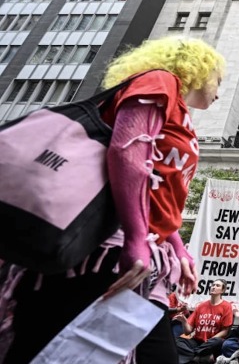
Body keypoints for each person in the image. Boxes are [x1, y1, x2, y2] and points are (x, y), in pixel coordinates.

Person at [2, 36, 224, 364]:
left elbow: (157, 193)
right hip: (104, 248)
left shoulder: (182, 114)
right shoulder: (159, 81)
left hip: (144, 257)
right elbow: (128, 152)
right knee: (48, 348)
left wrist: (178, 249)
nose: (220, 89)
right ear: (198, 68)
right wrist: (136, 238)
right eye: (219, 78)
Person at [176, 279, 235, 363]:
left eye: (217, 286)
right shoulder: (201, 306)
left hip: (212, 342)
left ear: (222, 290)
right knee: (177, 340)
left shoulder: (226, 306)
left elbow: (225, 331)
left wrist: (209, 341)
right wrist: (184, 321)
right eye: (213, 285)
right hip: (197, 341)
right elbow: (188, 332)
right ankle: (196, 356)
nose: (213, 287)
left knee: (218, 341)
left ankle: (192, 355)